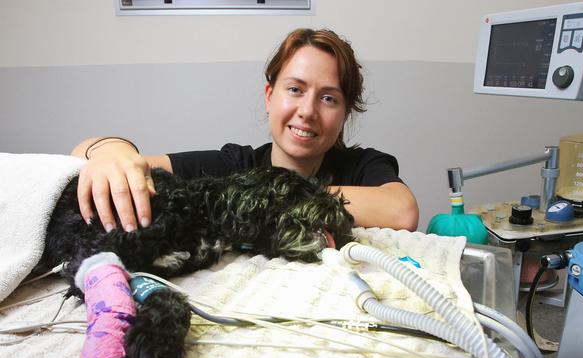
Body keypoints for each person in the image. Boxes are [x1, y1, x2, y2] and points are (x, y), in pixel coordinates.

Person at [70, 28, 419, 235]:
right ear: (270, 96)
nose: (308, 111)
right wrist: (110, 152)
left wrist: (267, 194)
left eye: (328, 98)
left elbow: (401, 211)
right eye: (295, 90)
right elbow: (85, 154)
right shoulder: (234, 165)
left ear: (344, 113)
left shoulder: (361, 166)